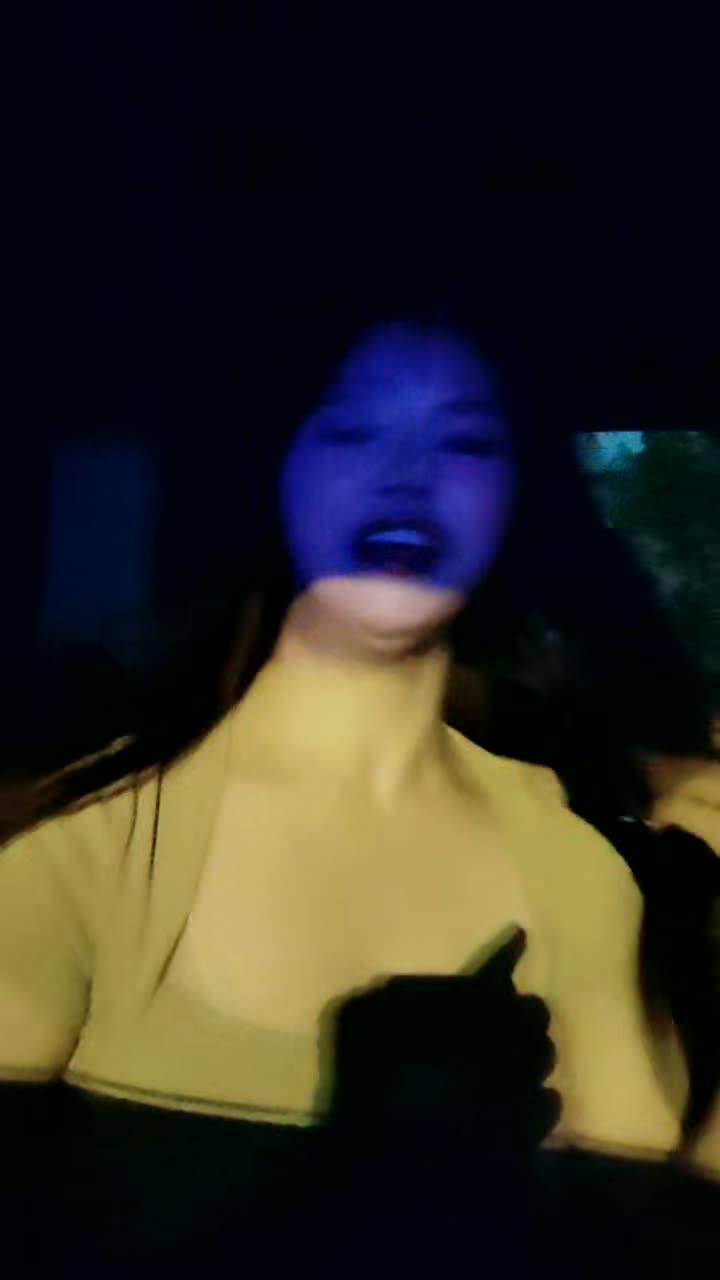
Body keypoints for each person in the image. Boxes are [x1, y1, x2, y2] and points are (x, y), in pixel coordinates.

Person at [1, 275, 718, 1267]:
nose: (407, 475)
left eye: (465, 440)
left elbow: (658, 1241)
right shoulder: (84, 839)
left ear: (518, 493)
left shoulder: (575, 856)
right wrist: (347, 1179)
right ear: (274, 462)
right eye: (350, 428)